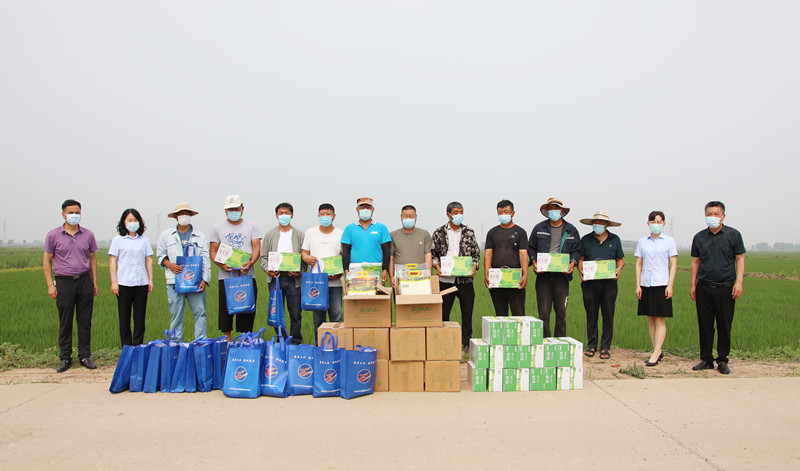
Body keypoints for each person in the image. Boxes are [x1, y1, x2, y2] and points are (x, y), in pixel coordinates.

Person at [42, 199, 98, 372]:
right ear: (63, 215)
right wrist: (50, 285)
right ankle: (65, 357)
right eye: (71, 212)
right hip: (64, 282)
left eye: (77, 212)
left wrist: (94, 282)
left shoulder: (88, 235)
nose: (74, 215)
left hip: (84, 280)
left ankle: (84, 356)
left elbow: (92, 259)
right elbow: (47, 260)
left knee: (85, 321)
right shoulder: (53, 235)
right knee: (65, 321)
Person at [690, 201, 745, 375]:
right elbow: (695, 262)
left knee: (724, 324)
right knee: (705, 324)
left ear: (723, 216)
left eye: (716, 214)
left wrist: (739, 282)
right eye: (709, 214)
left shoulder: (733, 235)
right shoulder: (699, 237)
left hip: (725, 287)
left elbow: (740, 259)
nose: (712, 217)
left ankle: (722, 360)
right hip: (704, 286)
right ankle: (706, 359)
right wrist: (693, 285)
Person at [210, 195, 262, 341]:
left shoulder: (252, 226)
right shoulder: (217, 227)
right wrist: (221, 265)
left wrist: (250, 263)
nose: (234, 211)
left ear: (242, 209)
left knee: (247, 309)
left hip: (247, 275)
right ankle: (227, 342)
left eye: (236, 208)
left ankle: (245, 341)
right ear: (225, 210)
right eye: (230, 209)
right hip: (226, 277)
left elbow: (256, 247)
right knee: (225, 311)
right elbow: (213, 250)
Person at [156, 202, 211, 340]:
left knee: (201, 313)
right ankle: (175, 344)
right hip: (175, 280)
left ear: (191, 215)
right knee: (176, 315)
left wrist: (204, 279)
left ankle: (200, 342)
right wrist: (169, 264)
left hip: (195, 281)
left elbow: (205, 258)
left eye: (187, 213)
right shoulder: (166, 235)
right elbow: (160, 254)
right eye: (181, 213)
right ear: (176, 216)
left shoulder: (199, 236)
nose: (184, 216)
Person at [528, 197, 581, 337]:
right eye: (551, 209)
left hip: (562, 276)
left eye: (556, 209)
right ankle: (545, 341)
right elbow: (531, 248)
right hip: (544, 276)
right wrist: (534, 262)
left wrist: (573, 263)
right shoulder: (539, 228)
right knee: (544, 312)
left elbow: (577, 250)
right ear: (547, 211)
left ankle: (560, 341)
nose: (554, 211)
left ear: (562, 211)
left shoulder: (571, 230)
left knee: (561, 312)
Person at [431, 201, 481, 352]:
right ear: (448, 214)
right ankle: (443, 342)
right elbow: (433, 254)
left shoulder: (469, 232)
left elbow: (476, 254)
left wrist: (474, 266)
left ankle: (466, 344)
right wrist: (437, 267)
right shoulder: (439, 232)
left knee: (467, 312)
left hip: (465, 280)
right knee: (443, 313)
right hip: (445, 280)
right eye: (456, 212)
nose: (459, 215)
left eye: (461, 212)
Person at [578, 210, 625, 360]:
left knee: (608, 314)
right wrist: (581, 270)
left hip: (609, 283)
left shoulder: (615, 239)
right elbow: (581, 259)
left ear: (606, 224)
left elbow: (620, 260)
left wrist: (618, 269)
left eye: (600, 222)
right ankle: (592, 345)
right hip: (590, 283)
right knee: (591, 314)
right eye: (595, 222)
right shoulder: (585, 240)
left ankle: (605, 347)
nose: (597, 225)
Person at [634, 211, 678, 367]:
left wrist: (670, 285)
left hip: (662, 284)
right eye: (653, 222)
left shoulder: (669, 241)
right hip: (646, 283)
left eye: (659, 222)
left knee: (660, 319)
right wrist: (638, 285)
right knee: (650, 318)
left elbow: (673, 264)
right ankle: (657, 350)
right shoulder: (642, 242)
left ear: (664, 223)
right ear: (648, 223)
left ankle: (656, 352)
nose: (656, 224)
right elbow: (639, 264)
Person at [259, 202, 305, 344]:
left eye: (287, 213)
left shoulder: (299, 235)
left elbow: (304, 257)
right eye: (281, 213)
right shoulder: (270, 234)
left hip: (293, 279)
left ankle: (295, 342)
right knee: (276, 312)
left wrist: (299, 272)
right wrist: (268, 269)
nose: (284, 215)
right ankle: (282, 341)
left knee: (295, 313)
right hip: (276, 278)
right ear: (276, 215)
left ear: (292, 215)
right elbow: (263, 257)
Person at [108, 208, 154, 346]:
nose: (133, 222)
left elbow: (148, 260)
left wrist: (150, 280)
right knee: (124, 317)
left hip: (141, 283)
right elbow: (112, 261)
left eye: (135, 220)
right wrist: (114, 282)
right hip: (124, 283)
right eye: (130, 220)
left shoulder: (144, 240)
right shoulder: (118, 240)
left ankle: (138, 346)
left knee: (140, 318)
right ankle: (126, 347)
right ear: (124, 222)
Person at [300, 203, 344, 343]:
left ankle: (337, 346)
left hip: (335, 282)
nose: (325, 217)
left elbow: (344, 256)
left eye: (328, 214)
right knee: (318, 319)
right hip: (316, 282)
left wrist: (339, 272)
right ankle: (320, 346)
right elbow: (304, 252)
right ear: (318, 216)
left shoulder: (340, 233)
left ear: (334, 216)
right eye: (322, 214)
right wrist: (307, 258)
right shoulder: (310, 233)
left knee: (337, 316)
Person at [484, 199, 529, 316]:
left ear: (513, 213)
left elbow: (523, 254)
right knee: (500, 314)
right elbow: (488, 254)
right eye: (500, 212)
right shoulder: (492, 232)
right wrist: (486, 273)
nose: (503, 215)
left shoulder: (520, 232)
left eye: (506, 212)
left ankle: (518, 329)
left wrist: (525, 275)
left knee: (518, 313)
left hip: (515, 277)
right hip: (497, 277)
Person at [341, 197, 391, 284]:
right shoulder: (349, 229)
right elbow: (346, 252)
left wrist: (384, 270)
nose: (365, 210)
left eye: (368, 207)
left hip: (376, 270)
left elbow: (386, 251)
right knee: (357, 292)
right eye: (362, 207)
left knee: (376, 292)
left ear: (373, 209)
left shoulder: (381, 228)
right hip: (355, 271)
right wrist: (346, 271)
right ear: (357, 209)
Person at [389, 204, 432, 286]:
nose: (408, 218)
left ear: (416, 217)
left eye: (411, 216)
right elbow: (390, 258)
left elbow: (428, 256)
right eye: (405, 216)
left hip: (420, 277)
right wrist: (391, 277)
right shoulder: (393, 235)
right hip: (400, 278)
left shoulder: (424, 234)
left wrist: (428, 275)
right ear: (401, 217)